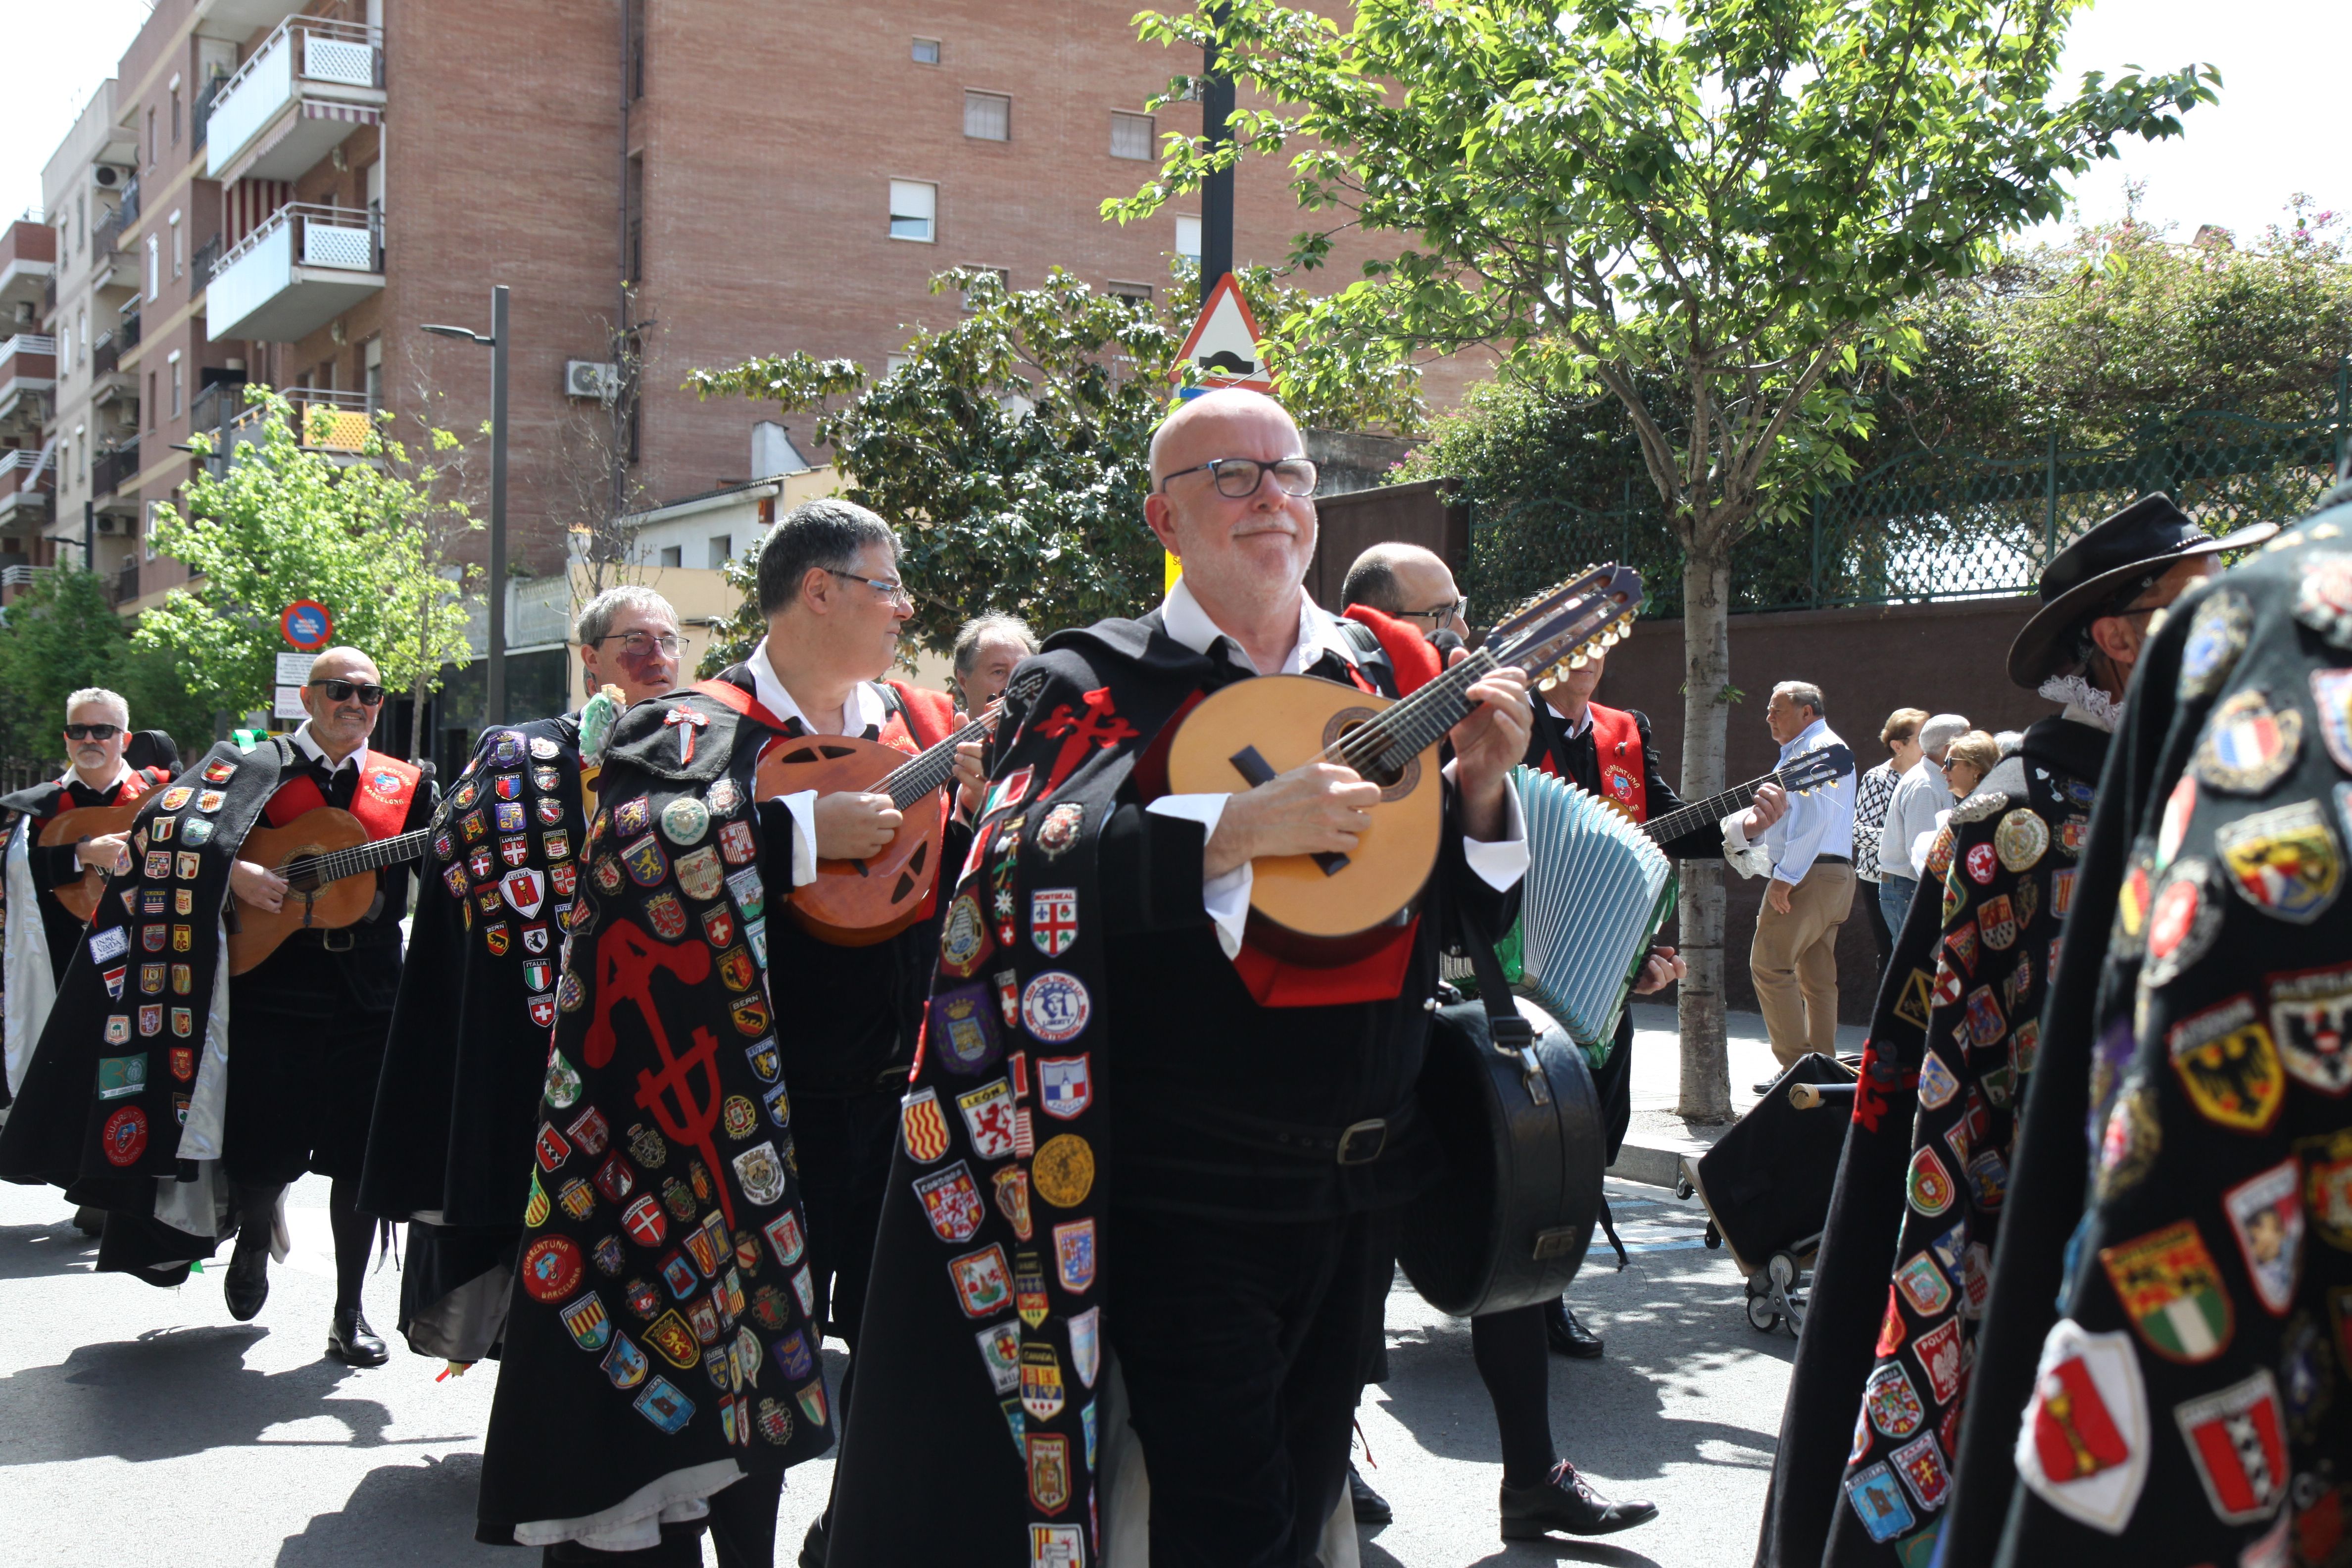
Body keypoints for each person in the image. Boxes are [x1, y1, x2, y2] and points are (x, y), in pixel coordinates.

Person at [825, 388, 1535, 1567]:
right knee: (1228, 1516)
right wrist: (1226, 830)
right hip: (1184, 1186)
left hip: (1365, 1177)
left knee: (1306, 1489)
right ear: (1164, 515)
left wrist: (1479, 791)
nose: (1274, 499)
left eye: (1292, 474)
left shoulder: (1387, 671)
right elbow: (1008, 872)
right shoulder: (1090, 677)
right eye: (1235, 477)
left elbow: (1467, 915)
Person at [1756, 492, 2273, 1568]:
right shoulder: (2021, 819)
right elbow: (1991, 1078)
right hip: (2038, 1233)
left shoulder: (2220, 783)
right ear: (2122, 636)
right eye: (2200, 596)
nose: (2236, 614)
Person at [474, 501, 966, 1565]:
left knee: (909, 1360)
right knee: (744, 1370)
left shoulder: (918, 727)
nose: (906, 609)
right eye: (889, 586)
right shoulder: (691, 724)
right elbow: (633, 859)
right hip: (742, 1130)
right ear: (820, 591)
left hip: (902, 1107)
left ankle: (850, 1534)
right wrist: (794, 830)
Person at [0, 647, 434, 1367]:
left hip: (371, 991)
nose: (355, 703)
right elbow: (164, 837)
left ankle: (349, 1310)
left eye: (370, 694)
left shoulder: (406, 786)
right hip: (268, 986)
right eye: (339, 690)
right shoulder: (246, 767)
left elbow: (444, 876)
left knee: (362, 1158)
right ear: (309, 697)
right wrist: (236, 870)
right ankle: (255, 1233)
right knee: (267, 1150)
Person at [360, 586, 683, 1367]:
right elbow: (468, 874)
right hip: (544, 1045)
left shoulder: (697, 755)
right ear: (591, 659)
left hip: (660, 1040)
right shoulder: (523, 751)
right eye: (634, 641)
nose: (657, 658)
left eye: (670, 640)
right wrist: (582, 774)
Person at [1734, 681, 1858, 1078]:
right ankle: (1823, 1065)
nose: (1769, 716)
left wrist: (1785, 877)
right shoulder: (1817, 747)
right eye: (1769, 709)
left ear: (1808, 712)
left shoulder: (1813, 750)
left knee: (1770, 965)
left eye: (1778, 709)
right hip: (1834, 875)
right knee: (1817, 976)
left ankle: (1799, 1068)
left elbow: (1814, 820)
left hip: (1810, 872)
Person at [1851, 709, 1924, 980]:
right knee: (1891, 951)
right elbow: (1857, 831)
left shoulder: (1930, 777)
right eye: (1921, 738)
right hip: (1878, 878)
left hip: (1916, 876)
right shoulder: (1878, 779)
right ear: (1898, 745)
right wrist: (1904, 841)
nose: (1927, 745)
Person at [1877, 711, 1965, 930]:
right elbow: (1922, 857)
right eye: (1966, 740)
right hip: (1910, 888)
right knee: (1913, 963)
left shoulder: (1935, 778)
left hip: (1911, 887)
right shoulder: (1926, 786)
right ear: (1948, 750)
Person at [952, 612, 1040, 715]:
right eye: (999, 672)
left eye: (1024, 672)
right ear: (963, 681)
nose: (1015, 685)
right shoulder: (942, 730)